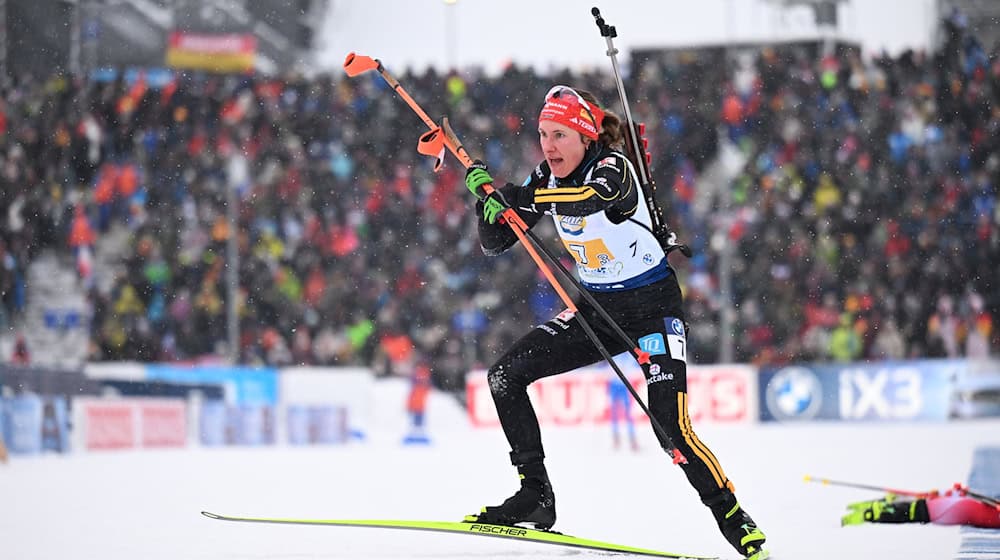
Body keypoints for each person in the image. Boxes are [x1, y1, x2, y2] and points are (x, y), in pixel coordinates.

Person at [461, 85, 767, 559]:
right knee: (504, 376)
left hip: (653, 309)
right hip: (598, 310)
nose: (548, 146)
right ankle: (535, 495)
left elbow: (586, 200)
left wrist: (519, 197)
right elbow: (496, 243)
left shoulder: (612, 167)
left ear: (585, 136)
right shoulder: (546, 175)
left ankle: (732, 516)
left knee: (672, 429)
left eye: (560, 135)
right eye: (543, 135)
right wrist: (488, 206)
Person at [842, 491, 1000, 529]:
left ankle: (871, 514)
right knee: (925, 504)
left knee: (921, 510)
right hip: (965, 507)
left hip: (959, 511)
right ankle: (883, 507)